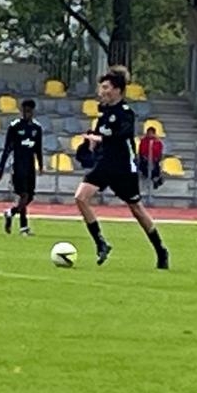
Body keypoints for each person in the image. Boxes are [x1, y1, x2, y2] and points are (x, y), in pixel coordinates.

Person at [75, 66, 169, 269]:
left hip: (123, 167)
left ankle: (161, 250)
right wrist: (90, 145)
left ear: (117, 90)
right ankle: (101, 243)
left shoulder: (126, 113)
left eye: (106, 87)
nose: (102, 91)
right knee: (80, 197)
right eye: (101, 87)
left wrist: (100, 139)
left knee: (136, 209)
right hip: (104, 165)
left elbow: (122, 135)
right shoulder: (103, 115)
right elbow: (99, 139)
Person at [0, 98, 44, 235]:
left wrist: (40, 164)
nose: (27, 113)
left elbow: (38, 148)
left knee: (29, 197)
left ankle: (11, 213)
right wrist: (0, 170)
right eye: (25, 111)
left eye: (29, 111)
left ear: (33, 112)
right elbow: (7, 149)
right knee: (24, 195)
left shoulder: (37, 128)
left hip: (30, 166)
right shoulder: (15, 126)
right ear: (22, 111)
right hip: (18, 165)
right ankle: (23, 226)